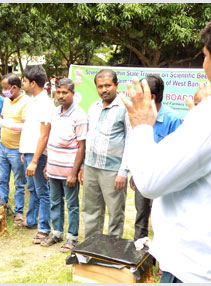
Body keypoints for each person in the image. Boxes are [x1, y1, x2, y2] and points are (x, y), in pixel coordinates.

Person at [121, 10, 211, 283]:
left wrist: (141, 125)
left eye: (205, 56)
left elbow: (148, 180)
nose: (203, 63)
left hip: (200, 271)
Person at [129, 74, 182, 241]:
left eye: (140, 93)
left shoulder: (172, 119)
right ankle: (141, 258)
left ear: (151, 97)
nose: (136, 96)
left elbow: (177, 155)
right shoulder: (138, 116)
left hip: (164, 180)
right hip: (142, 176)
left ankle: (161, 261)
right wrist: (134, 173)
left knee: (163, 220)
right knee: (141, 217)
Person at [78, 69, 131, 239]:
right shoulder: (94, 107)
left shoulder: (126, 108)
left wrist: (123, 172)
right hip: (92, 167)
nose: (104, 90)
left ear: (116, 85)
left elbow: (131, 141)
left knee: (115, 213)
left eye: (108, 85)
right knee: (91, 210)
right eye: (100, 86)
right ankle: (92, 249)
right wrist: (84, 166)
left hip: (113, 171)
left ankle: (113, 253)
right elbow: (90, 139)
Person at [40, 78, 87, 252]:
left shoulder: (80, 115)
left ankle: (72, 237)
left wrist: (74, 173)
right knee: (54, 202)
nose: (60, 96)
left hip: (69, 171)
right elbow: (51, 140)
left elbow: (82, 146)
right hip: (53, 168)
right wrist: (47, 164)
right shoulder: (55, 112)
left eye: (64, 92)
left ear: (73, 94)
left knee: (72, 205)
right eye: (58, 92)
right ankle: (57, 233)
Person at [20, 65, 54, 244]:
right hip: (29, 152)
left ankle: (44, 228)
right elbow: (30, 130)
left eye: (24, 81)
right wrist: (24, 152)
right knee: (32, 189)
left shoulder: (45, 103)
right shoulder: (33, 101)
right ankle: (31, 221)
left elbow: (44, 134)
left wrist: (34, 160)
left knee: (42, 192)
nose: (23, 84)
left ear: (33, 83)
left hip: (38, 155)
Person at [0, 73, 30, 226]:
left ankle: (19, 212)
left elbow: (27, 126)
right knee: (1, 180)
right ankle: (3, 207)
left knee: (19, 183)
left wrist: (5, 124)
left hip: (17, 150)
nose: (3, 91)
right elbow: (3, 117)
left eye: (6, 88)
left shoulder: (27, 102)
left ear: (15, 87)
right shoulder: (7, 100)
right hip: (3, 146)